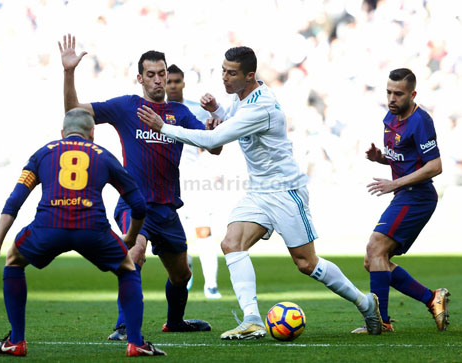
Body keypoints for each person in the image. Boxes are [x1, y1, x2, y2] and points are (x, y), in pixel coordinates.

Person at [138, 46, 382, 339]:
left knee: (306, 263)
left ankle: (366, 303)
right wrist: (217, 110)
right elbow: (230, 118)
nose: (225, 78)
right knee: (231, 243)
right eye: (223, 71)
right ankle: (252, 319)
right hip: (259, 192)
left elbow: (216, 138)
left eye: (232, 73)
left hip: (285, 191)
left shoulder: (261, 106)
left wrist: (163, 127)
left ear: (250, 75)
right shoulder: (243, 97)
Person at [58, 34, 218, 340]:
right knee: (135, 253)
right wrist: (69, 72)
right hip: (135, 204)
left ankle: (175, 322)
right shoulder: (126, 107)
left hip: (167, 207)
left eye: (162, 74)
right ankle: (123, 326)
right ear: (140, 78)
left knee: (181, 274)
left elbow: (215, 147)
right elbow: (73, 112)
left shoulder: (180, 114)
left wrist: (213, 124)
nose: (159, 80)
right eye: (151, 75)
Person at [0, 108, 165, 357]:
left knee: (14, 260)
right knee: (127, 268)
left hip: (48, 227)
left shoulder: (43, 153)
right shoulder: (104, 156)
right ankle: (137, 343)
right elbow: (138, 205)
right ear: (92, 133)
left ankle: (17, 341)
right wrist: (129, 238)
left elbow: (14, 202)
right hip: (93, 229)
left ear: (62, 133)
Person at [351, 68, 449, 333]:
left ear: (412, 94)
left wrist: (394, 183)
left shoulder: (421, 121)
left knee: (375, 250)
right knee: (374, 260)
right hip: (405, 194)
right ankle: (432, 298)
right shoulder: (390, 117)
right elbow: (402, 157)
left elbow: (435, 166)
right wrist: (380, 158)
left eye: (398, 93)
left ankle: (380, 322)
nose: (391, 98)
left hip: (418, 196)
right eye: (389, 92)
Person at [166, 64, 222, 299]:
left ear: (184, 83)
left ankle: (211, 285)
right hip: (167, 181)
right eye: (168, 81)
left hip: (193, 180)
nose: (172, 85)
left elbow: (211, 142)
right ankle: (184, 279)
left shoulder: (193, 111)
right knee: (178, 236)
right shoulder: (152, 110)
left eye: (176, 81)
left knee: (203, 232)